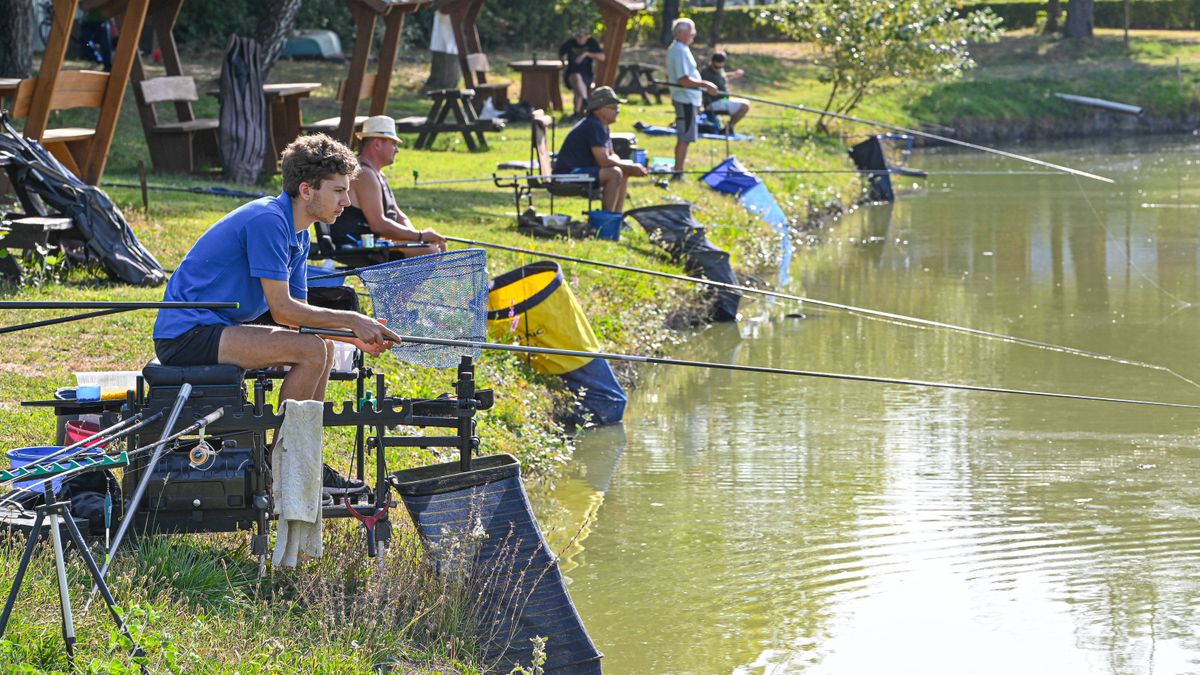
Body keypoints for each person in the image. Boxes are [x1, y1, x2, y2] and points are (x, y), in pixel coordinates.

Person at [328, 115, 447, 257]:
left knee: (434, 246)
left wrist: (417, 238)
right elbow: (378, 224)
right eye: (393, 144)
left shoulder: (377, 174)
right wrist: (419, 236)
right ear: (377, 144)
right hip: (358, 244)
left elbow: (398, 215)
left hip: (376, 243)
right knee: (430, 251)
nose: (397, 150)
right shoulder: (364, 174)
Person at [554, 87, 648, 213]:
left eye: (617, 107)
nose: (617, 111)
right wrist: (629, 168)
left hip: (583, 170)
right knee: (614, 173)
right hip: (568, 173)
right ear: (598, 109)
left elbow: (612, 155)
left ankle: (617, 217)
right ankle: (606, 220)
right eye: (613, 107)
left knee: (623, 169)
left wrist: (630, 166)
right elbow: (603, 161)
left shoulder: (603, 126)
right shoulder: (594, 125)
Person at [666, 18, 719, 180]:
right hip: (685, 99)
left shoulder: (681, 48)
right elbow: (683, 80)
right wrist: (706, 85)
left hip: (689, 99)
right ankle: (678, 173)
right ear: (681, 32)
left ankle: (678, 171)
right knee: (685, 137)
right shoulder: (679, 50)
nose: (694, 34)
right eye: (691, 31)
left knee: (686, 137)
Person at [699, 51, 750, 134]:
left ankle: (728, 128)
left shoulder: (719, 70)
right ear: (711, 62)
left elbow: (722, 77)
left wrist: (734, 74)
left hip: (725, 99)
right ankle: (729, 127)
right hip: (714, 102)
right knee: (745, 105)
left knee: (741, 103)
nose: (718, 68)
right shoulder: (706, 73)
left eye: (720, 66)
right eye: (716, 66)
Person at [558, 27, 605, 118]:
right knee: (576, 76)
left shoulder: (592, 43)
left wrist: (586, 54)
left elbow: (602, 57)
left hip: (587, 75)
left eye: (582, 37)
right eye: (578, 36)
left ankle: (576, 113)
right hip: (571, 73)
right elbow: (561, 53)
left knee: (578, 88)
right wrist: (563, 63)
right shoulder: (570, 43)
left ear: (587, 37)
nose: (579, 39)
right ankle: (585, 100)